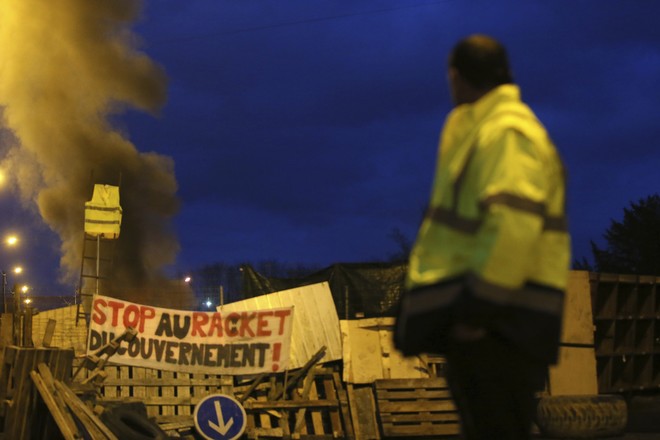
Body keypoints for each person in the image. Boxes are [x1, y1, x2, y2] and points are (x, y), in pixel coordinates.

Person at [394, 34, 571, 439]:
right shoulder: (488, 131)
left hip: (498, 325)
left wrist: (477, 314)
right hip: (493, 323)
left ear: (455, 76)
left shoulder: (503, 133)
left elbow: (513, 229)